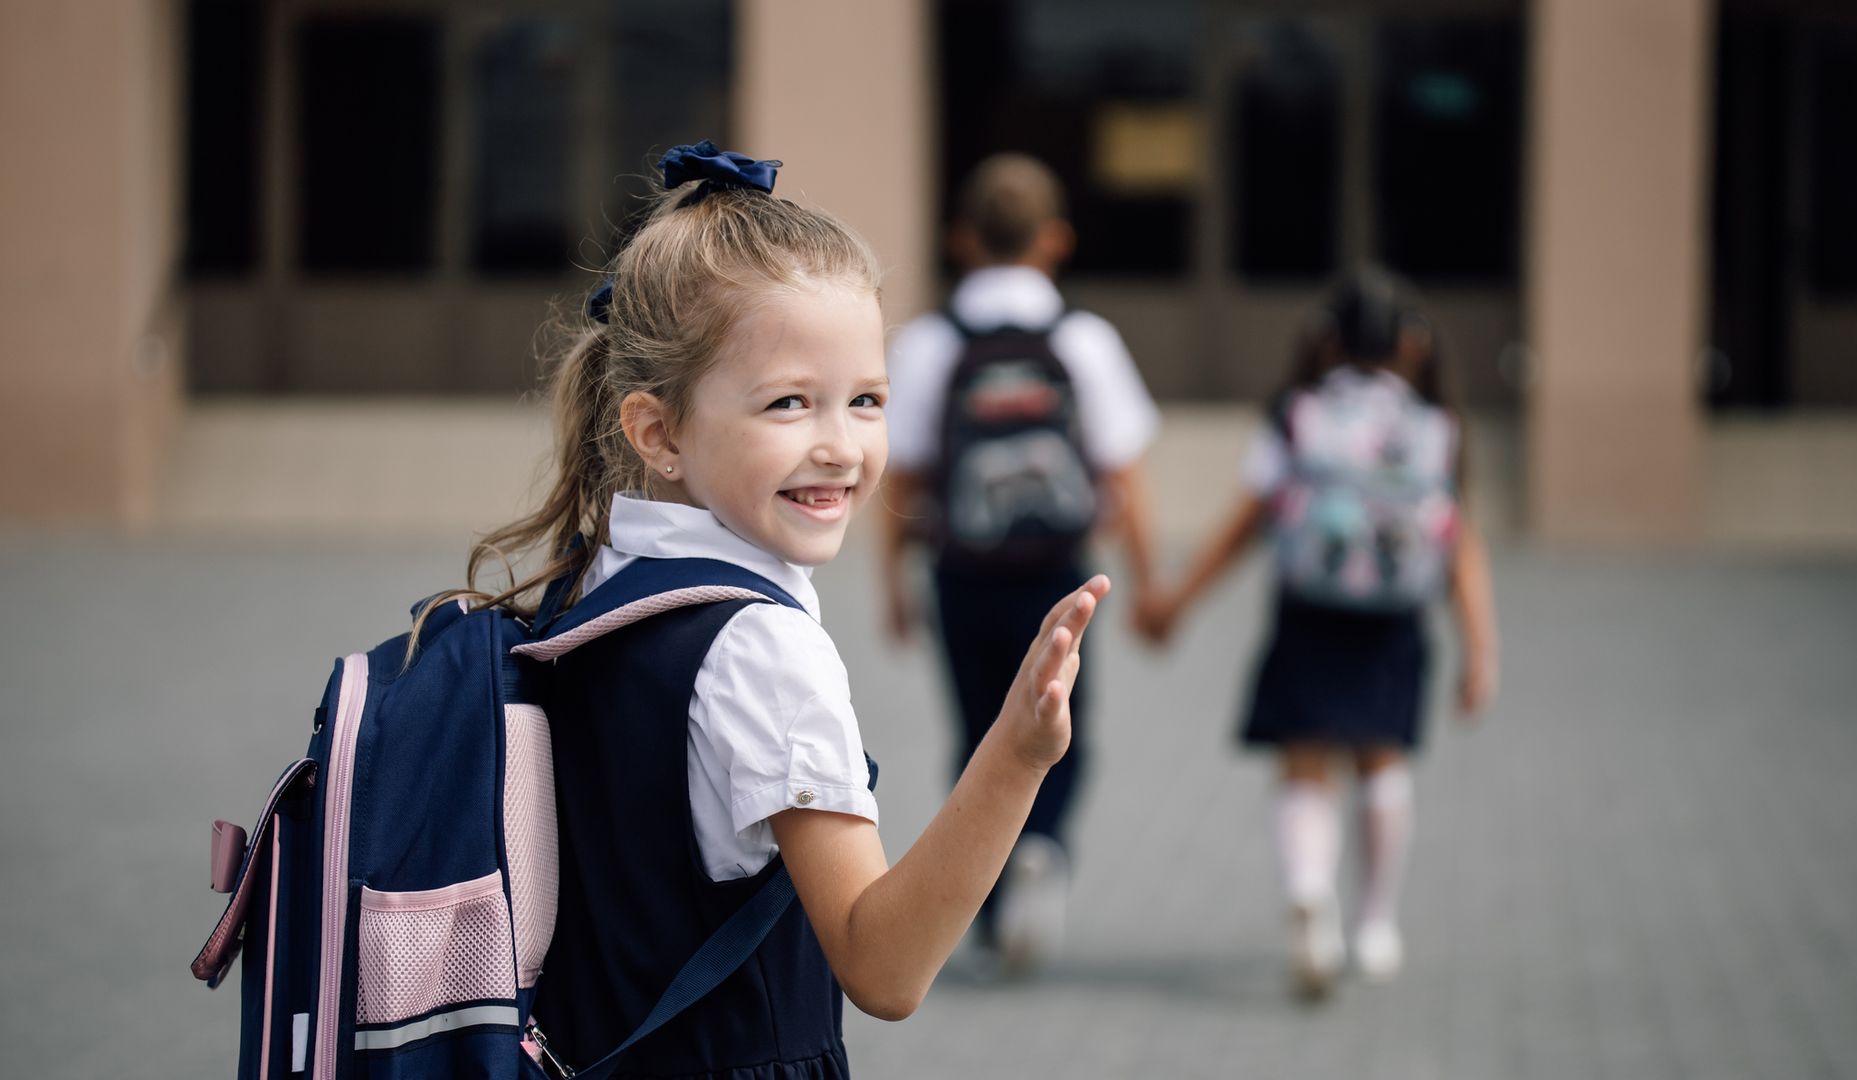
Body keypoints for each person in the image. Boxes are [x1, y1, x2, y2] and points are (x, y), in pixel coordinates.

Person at [443, 142, 1108, 1077]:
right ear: (659, 431)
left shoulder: (592, 580)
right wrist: (1018, 754)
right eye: (791, 403)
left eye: (867, 400)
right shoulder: (760, 650)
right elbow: (885, 967)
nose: (841, 446)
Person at [1141, 268, 1498, 998]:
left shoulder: (1297, 413)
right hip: (1395, 616)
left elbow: (1250, 521)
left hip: (1309, 610)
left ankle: (1309, 894)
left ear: (1326, 340)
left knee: (1305, 764)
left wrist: (1178, 599)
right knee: (1383, 758)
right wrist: (1480, 649)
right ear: (1411, 344)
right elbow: (1460, 543)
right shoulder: (1435, 425)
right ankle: (1376, 925)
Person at [879, 153, 1160, 975]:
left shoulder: (930, 344)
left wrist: (894, 586)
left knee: (976, 732)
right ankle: (1042, 843)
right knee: (1063, 727)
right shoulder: (1084, 340)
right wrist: (1149, 584)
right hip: (1061, 576)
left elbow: (907, 475)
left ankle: (994, 908)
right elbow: (1123, 473)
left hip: (961, 570)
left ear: (962, 239)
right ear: (1056, 240)